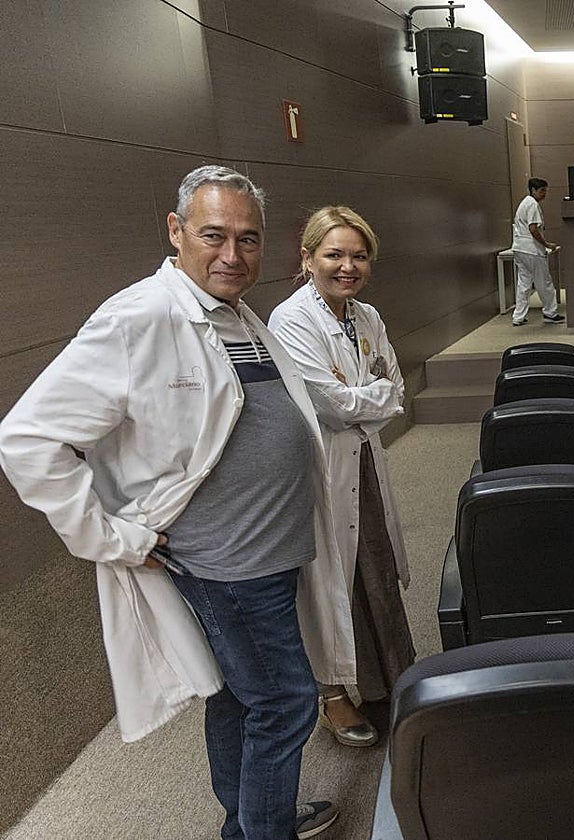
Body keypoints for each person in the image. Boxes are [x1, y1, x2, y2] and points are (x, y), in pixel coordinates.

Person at [0, 167, 339, 840]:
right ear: (176, 232)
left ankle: (247, 819)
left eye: (248, 239)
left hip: (268, 553)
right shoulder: (140, 317)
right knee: (285, 701)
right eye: (214, 235)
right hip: (228, 564)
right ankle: (263, 829)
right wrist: (108, 536)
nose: (232, 255)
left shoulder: (236, 315)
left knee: (240, 697)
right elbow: (26, 438)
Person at [269, 206, 416, 749]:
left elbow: (395, 393)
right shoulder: (291, 320)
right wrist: (365, 396)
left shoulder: (367, 316)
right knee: (331, 578)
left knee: (374, 563)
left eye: (358, 255)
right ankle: (332, 694)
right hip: (323, 467)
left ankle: (393, 675)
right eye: (334, 254)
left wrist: (365, 396)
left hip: (365, 459)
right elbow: (329, 407)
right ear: (307, 259)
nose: (347, 266)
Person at [511, 177, 564, 326]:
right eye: (542, 191)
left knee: (524, 284)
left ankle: (518, 316)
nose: (544, 194)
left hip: (519, 248)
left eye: (545, 190)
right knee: (544, 282)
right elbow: (533, 228)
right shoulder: (532, 205)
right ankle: (550, 312)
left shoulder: (524, 203)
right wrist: (546, 244)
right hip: (532, 250)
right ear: (533, 190)